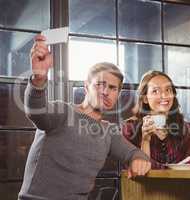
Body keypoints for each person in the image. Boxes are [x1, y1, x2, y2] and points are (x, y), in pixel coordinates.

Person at [18, 35, 151, 200]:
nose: (105, 92)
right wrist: (39, 78)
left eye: (112, 88)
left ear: (117, 94)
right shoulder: (63, 112)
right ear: (86, 85)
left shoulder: (109, 132)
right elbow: (36, 110)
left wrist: (139, 159)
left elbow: (134, 153)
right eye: (100, 84)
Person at [122, 70, 190, 169]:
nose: (164, 96)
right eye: (155, 91)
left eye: (168, 90)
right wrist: (145, 140)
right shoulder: (129, 129)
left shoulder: (188, 130)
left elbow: (189, 169)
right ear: (145, 98)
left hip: (180, 184)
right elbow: (137, 170)